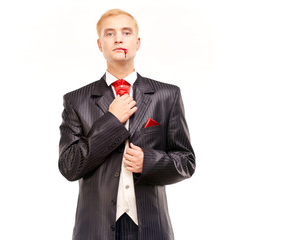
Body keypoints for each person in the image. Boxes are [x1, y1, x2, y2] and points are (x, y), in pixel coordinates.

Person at [58, 9, 195, 240]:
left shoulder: (166, 95)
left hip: (151, 229)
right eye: (109, 34)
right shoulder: (76, 101)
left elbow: (186, 162)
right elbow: (69, 166)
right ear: (100, 44)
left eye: (126, 32)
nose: (119, 38)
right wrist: (111, 121)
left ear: (137, 42)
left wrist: (148, 162)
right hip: (95, 230)